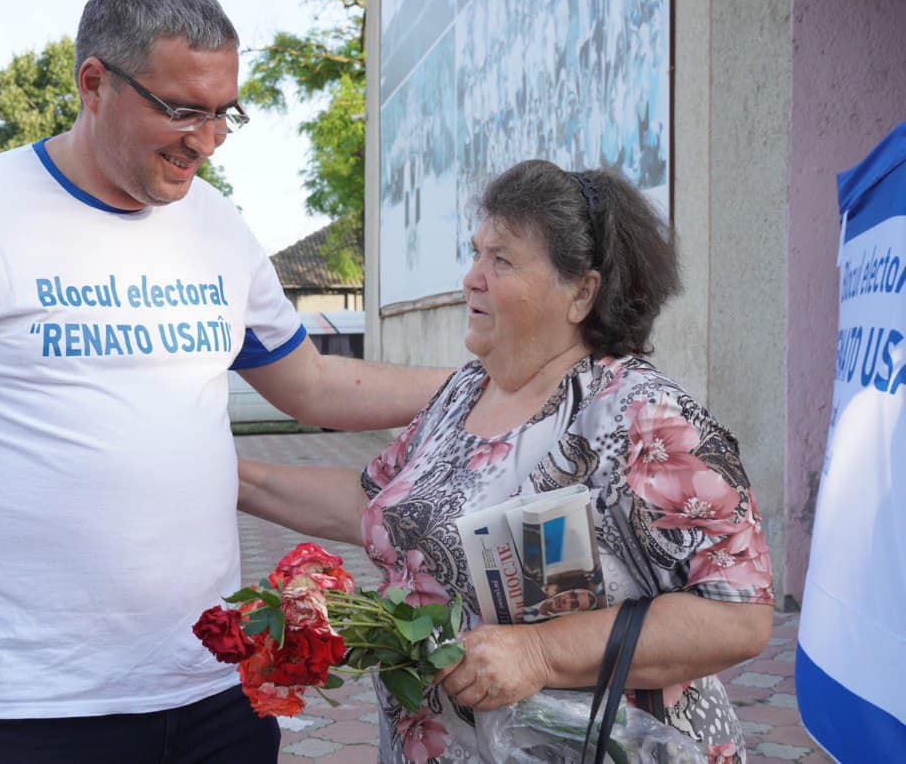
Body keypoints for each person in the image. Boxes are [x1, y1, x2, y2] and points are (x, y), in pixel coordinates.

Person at [0, 0, 448, 763]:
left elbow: (314, 385)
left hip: (218, 686)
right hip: (36, 705)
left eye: (224, 113)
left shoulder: (218, 225)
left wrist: (485, 383)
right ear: (94, 83)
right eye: (182, 110)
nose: (207, 139)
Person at [239, 160, 775, 763]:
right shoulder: (464, 392)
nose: (472, 278)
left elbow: (737, 617)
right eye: (476, 253)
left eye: (502, 260)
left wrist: (541, 653)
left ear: (582, 292)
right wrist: (233, 478)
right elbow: (377, 502)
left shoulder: (643, 416)